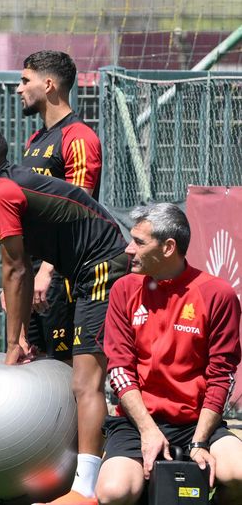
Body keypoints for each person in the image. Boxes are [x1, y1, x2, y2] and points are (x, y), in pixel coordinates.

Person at [0, 126, 127, 500]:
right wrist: (17, 334)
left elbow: (15, 269)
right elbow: (22, 264)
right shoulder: (0, 189)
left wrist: (12, 345)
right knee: (76, 375)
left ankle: (84, 490)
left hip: (101, 266)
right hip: (80, 269)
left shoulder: (0, 192)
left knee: (86, 381)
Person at [96, 203, 242, 504]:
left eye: (139, 242)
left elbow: (222, 376)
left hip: (196, 422)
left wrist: (200, 441)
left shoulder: (218, 294)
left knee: (239, 473)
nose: (129, 249)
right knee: (113, 492)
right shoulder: (124, 289)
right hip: (137, 422)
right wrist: (148, 431)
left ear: (168, 247)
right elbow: (120, 369)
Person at [16, 50, 102, 363]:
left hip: (62, 273)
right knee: (29, 362)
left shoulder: (79, 137)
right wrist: (16, 279)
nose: (19, 89)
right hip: (33, 271)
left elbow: (76, 212)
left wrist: (47, 272)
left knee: (64, 369)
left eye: (26, 81)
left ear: (49, 85)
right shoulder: (35, 140)